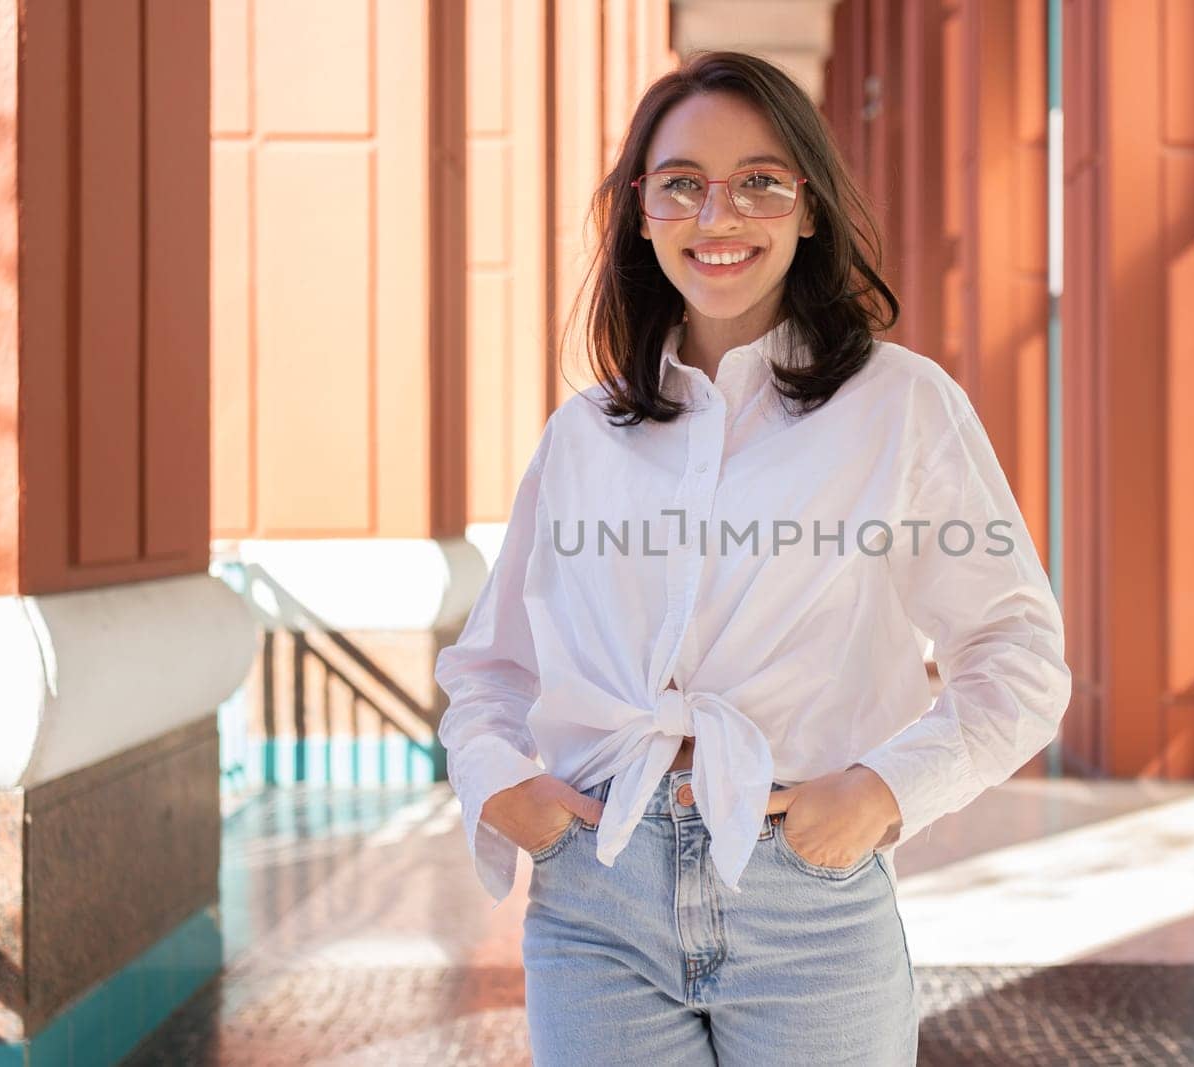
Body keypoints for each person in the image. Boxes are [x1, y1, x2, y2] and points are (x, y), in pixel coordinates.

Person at [434, 49, 1072, 1066]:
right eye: (681, 184)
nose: (716, 217)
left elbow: (1018, 654)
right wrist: (497, 782)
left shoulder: (900, 407)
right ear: (641, 212)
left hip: (806, 899)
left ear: (809, 209)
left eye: (759, 183)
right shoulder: (585, 435)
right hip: (597, 895)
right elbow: (490, 667)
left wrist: (883, 789)